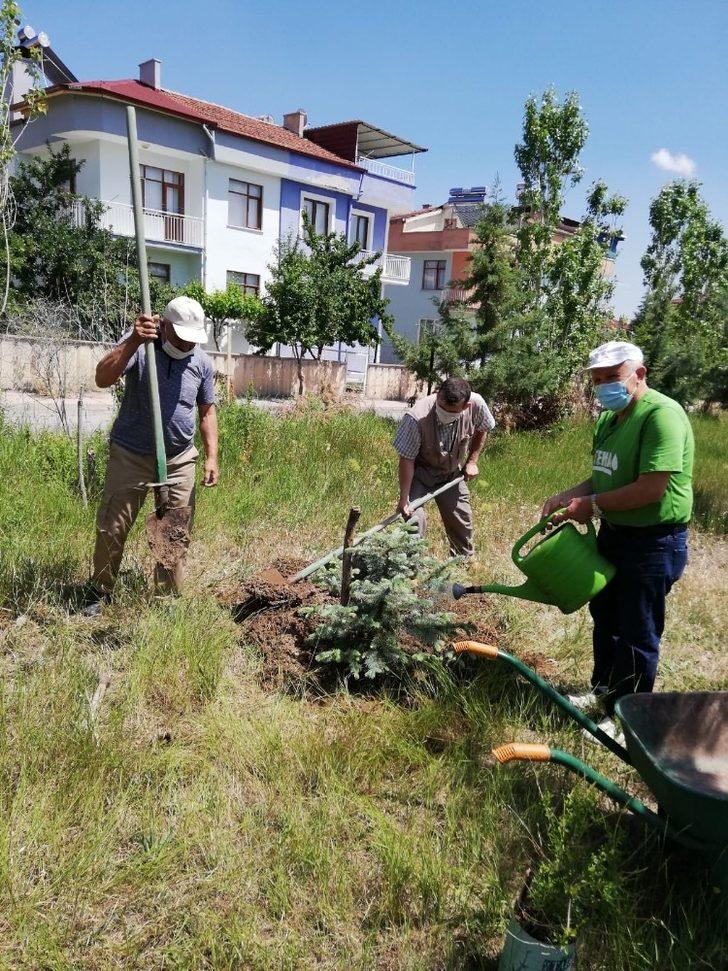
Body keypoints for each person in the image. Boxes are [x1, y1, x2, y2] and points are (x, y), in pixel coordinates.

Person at [541, 340, 693, 732]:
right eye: (598, 380)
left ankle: (629, 716)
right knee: (605, 616)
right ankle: (603, 691)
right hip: (615, 534)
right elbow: (604, 476)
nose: (604, 386)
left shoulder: (662, 416)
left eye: (612, 377)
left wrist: (590, 505)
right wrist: (568, 495)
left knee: (637, 630)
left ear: (638, 374)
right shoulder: (610, 420)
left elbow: (650, 489)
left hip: (653, 542)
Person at [83, 296, 218, 613]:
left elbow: (207, 411)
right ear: (165, 326)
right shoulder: (140, 345)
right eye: (182, 338)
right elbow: (103, 378)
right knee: (112, 526)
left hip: (179, 458)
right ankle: (100, 591)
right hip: (131, 453)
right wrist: (132, 340)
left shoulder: (201, 363)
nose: (187, 346)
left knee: (174, 531)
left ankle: (166, 599)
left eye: (192, 341)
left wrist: (212, 456)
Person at [394, 377, 495, 556]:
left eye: (451, 411)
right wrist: (404, 498)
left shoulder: (477, 404)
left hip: (451, 474)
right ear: (437, 394)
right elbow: (406, 459)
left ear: (466, 407)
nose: (445, 412)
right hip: (420, 474)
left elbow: (483, 427)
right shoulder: (416, 417)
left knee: (461, 519)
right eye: (441, 407)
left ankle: (462, 562)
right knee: (413, 519)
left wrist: (472, 461)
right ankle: (408, 567)